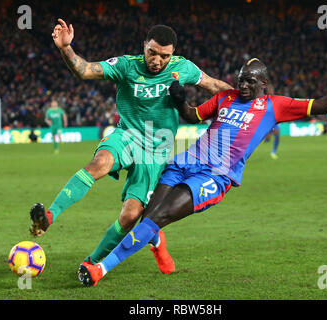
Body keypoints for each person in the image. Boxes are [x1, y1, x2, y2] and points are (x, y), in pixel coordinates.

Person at [76, 54, 327, 286]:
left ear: (263, 84)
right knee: (146, 219)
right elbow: (194, 116)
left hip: (215, 176)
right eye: (241, 79)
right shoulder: (225, 97)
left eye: (250, 81)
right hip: (184, 162)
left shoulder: (274, 105)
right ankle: (155, 240)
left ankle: (99, 269)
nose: (244, 85)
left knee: (157, 217)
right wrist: (180, 101)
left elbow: (322, 105)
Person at [29, 19, 232, 275]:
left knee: (130, 216)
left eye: (164, 56)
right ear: (143, 46)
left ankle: (91, 262)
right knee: (99, 163)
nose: (157, 60)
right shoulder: (126, 65)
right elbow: (85, 70)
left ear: (172, 54)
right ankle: (48, 215)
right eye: (152, 52)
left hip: (157, 151)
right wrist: (66, 48)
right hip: (128, 135)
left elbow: (214, 85)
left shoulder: (183, 68)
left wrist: (249, 105)